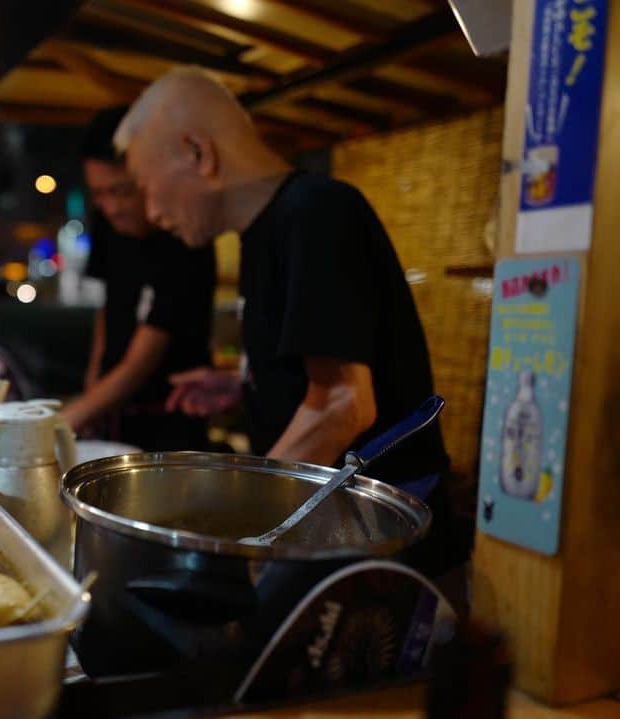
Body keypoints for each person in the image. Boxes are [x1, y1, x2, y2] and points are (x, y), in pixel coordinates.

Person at [113, 68, 469, 576]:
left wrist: (237, 533)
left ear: (198, 152)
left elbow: (344, 405)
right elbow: (320, 373)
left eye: (146, 186)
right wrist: (245, 387)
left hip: (382, 546)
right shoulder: (264, 233)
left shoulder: (316, 213)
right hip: (331, 525)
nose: (151, 211)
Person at [60, 106, 216, 451]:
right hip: (111, 408)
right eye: (99, 194)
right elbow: (108, 308)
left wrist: (66, 421)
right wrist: (92, 389)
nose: (111, 206)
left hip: (171, 416)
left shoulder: (184, 234)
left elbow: (142, 360)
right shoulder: (108, 222)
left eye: (122, 191)